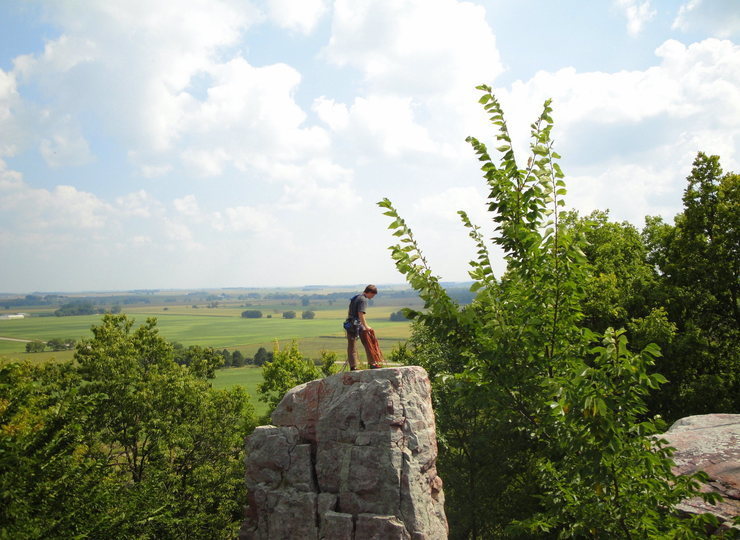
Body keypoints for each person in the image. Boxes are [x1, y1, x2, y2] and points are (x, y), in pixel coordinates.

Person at [346, 284, 379, 370]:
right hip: (358, 325)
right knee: (368, 343)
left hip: (350, 324)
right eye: (373, 295)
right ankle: (372, 363)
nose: (373, 297)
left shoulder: (356, 297)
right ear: (370, 292)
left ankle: (353, 367)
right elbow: (361, 314)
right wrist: (366, 326)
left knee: (351, 346)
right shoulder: (363, 300)